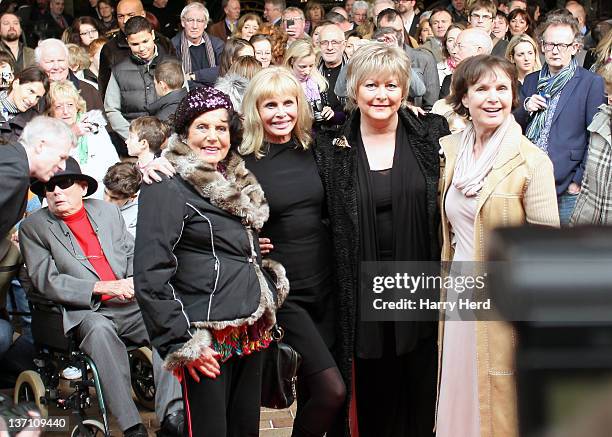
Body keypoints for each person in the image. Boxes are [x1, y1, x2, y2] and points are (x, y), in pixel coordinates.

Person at [313, 42, 449, 437]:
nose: (381, 95)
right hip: (360, 282)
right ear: (354, 88)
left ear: (404, 90)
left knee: (421, 376)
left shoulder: (431, 134)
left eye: (391, 85)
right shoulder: (330, 145)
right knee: (374, 382)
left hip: (420, 278)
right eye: (371, 85)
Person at [134, 86, 288, 436]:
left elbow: (215, 244)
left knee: (244, 430)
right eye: (201, 127)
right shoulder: (166, 183)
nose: (212, 136)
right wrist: (182, 342)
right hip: (203, 334)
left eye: (221, 127)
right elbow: (150, 274)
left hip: (248, 329)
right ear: (184, 132)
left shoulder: (235, 179)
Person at [437, 54, 559, 437]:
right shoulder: (450, 153)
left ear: (514, 96)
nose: (493, 98)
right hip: (457, 290)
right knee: (459, 389)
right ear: (464, 98)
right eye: (482, 89)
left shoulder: (531, 162)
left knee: (500, 399)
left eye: (502, 89)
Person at [20, 157, 183, 437]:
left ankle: (172, 414)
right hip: (87, 311)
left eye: (64, 184)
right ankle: (132, 425)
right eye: (49, 187)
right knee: (100, 331)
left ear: (82, 187)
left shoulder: (107, 212)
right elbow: (45, 280)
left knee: (167, 321)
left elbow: (133, 253)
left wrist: (136, 279)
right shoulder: (34, 228)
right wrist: (103, 287)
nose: (56, 191)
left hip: (130, 303)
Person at [240, 67, 346, 437]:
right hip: (287, 292)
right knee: (333, 390)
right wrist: (247, 240)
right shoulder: (242, 163)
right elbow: (217, 215)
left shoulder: (315, 149)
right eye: (270, 105)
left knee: (320, 392)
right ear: (255, 110)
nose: (281, 112)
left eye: (289, 103)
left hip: (328, 285)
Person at [515, 10, 606, 225]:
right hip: (527, 177)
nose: (555, 51)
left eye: (562, 45)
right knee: (529, 249)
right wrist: (526, 106)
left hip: (566, 184)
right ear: (542, 45)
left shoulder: (590, 82)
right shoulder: (531, 80)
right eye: (550, 44)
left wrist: (578, 181)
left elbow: (595, 136)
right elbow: (513, 125)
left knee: (562, 253)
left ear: (575, 47)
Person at [0, 116, 73, 237]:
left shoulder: (15, 161)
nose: (62, 167)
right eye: (61, 157)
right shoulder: (14, 170)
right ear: (40, 146)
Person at [47, 80, 119, 199]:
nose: (66, 111)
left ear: (77, 107)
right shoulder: (46, 134)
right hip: (63, 194)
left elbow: (112, 164)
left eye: (70, 105)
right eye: (59, 106)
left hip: (100, 193)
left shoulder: (95, 128)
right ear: (51, 111)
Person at [104, 16, 171, 139]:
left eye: (145, 41)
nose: (141, 48)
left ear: (153, 35)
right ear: (127, 41)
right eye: (135, 44)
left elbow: (182, 102)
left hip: (168, 140)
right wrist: (132, 138)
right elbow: (111, 109)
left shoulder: (173, 64)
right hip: (134, 144)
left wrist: (167, 137)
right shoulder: (118, 70)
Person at [98, 0, 175, 98]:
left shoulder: (163, 42)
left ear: (143, 14)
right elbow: (104, 90)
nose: (125, 21)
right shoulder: (110, 49)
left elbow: (175, 80)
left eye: (130, 15)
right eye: (120, 16)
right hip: (127, 110)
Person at [570, 63, 612, 225]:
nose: (610, 99)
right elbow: (587, 188)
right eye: (609, 92)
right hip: (589, 230)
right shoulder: (600, 120)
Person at [35, 38, 105, 114]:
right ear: (38, 65)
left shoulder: (88, 91)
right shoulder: (33, 95)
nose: (56, 67)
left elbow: (103, 123)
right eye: (50, 61)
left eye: (61, 60)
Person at [284, 40, 334, 130]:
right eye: (302, 67)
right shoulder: (283, 85)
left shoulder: (319, 82)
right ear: (291, 61)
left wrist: (331, 113)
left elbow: (340, 114)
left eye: (311, 66)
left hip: (320, 135)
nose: (307, 71)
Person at [172, 2, 223, 87]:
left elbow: (223, 71)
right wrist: (208, 77)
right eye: (190, 20)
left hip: (215, 94)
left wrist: (194, 76)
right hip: (185, 96)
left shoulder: (217, 45)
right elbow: (175, 78)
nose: (195, 26)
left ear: (206, 24)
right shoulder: (173, 46)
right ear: (183, 22)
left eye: (199, 21)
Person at [439, 27, 493, 99]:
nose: (454, 51)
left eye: (460, 46)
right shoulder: (449, 80)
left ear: (479, 50)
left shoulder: (495, 80)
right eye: (455, 46)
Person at [0, 66, 49, 142]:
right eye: (31, 91)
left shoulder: (35, 122)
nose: (32, 100)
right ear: (16, 84)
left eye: (38, 97)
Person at [103, 161, 142, 237]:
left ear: (132, 197)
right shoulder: (93, 195)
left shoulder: (138, 216)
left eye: (114, 198)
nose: (106, 200)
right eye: (105, 192)